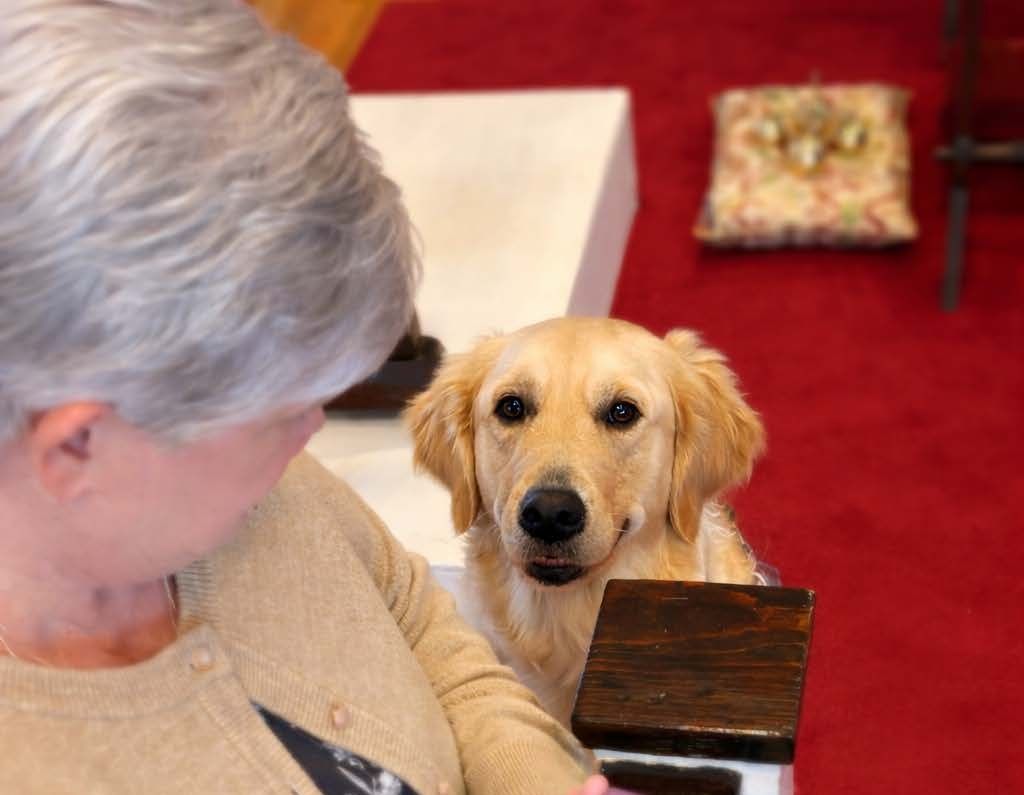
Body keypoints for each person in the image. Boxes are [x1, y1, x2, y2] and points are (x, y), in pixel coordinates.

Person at [0, 2, 629, 793]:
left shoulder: (249, 498)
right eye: (277, 412)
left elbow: (420, 627)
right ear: (76, 447)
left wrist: (533, 777)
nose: (310, 433)